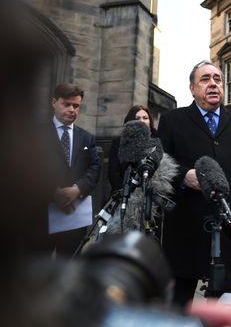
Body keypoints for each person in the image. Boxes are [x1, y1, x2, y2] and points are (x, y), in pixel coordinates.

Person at [156, 60, 231, 307]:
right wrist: (183, 177)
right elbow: (159, 165)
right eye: (205, 79)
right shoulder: (172, 120)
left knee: (228, 304)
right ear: (192, 88)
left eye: (218, 79)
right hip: (185, 228)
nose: (213, 84)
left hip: (229, 228)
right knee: (178, 305)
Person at [47, 83, 101, 255]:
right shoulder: (36, 134)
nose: (72, 109)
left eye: (76, 106)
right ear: (54, 102)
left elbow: (95, 168)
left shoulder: (86, 138)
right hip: (41, 217)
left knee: (69, 268)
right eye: (67, 104)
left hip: (74, 219)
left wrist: (77, 189)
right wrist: (52, 192)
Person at [108, 105, 156, 193]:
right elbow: (114, 172)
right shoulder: (119, 142)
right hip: (125, 195)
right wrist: (123, 193)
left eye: (145, 118)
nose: (142, 121)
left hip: (150, 195)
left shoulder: (156, 142)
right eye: (137, 118)